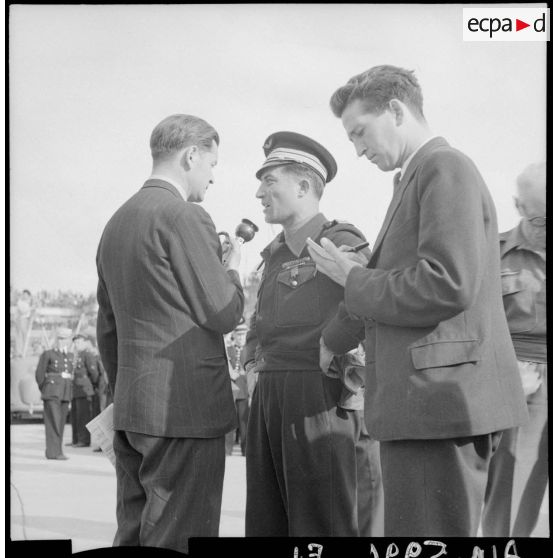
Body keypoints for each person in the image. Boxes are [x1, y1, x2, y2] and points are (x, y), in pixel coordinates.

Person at [307, 65, 528, 537]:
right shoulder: (419, 175)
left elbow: (447, 282)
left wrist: (355, 279)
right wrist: (344, 315)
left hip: (437, 407)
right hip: (426, 407)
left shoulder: (445, 168)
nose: (359, 149)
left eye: (360, 133)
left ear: (395, 110)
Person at [96, 114, 245, 553]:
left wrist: (126, 390)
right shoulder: (184, 216)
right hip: (186, 413)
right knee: (181, 537)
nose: (212, 177)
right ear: (191, 155)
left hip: (134, 409)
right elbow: (223, 312)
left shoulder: (116, 223)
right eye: (212, 165)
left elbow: (108, 327)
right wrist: (232, 270)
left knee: (134, 531)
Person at [243, 131, 383, 537]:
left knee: (323, 524)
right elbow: (259, 320)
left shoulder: (339, 240)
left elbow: (367, 297)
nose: (258, 193)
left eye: (270, 181)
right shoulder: (274, 254)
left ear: (304, 186)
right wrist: (252, 360)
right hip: (270, 393)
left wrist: (332, 341)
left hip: (319, 395)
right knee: (268, 519)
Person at [482, 162, 547, 537]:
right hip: (523, 382)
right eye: (540, 219)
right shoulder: (496, 253)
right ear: (519, 206)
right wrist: (505, 370)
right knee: (513, 496)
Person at [35, 327, 74, 460]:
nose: (64, 341)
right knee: (53, 422)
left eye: (66, 339)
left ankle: (57, 451)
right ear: (57, 339)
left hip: (65, 393)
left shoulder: (70, 355)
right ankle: (53, 452)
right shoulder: (48, 354)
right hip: (51, 393)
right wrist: (45, 388)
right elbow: (39, 375)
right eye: (61, 338)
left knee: (61, 423)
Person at [68, 334, 99, 447]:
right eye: (75, 343)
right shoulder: (76, 355)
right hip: (75, 390)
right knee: (75, 416)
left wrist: (92, 387)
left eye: (79, 342)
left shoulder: (87, 354)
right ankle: (75, 439)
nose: (77, 345)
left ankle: (84, 440)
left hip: (85, 390)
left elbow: (94, 373)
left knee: (83, 416)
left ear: (85, 342)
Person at [225, 323, 249, 456]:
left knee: (244, 422)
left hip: (244, 391)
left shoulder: (249, 349)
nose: (241, 337)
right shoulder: (228, 350)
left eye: (243, 334)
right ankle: (227, 450)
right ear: (234, 335)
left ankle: (245, 450)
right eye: (238, 334)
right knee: (229, 422)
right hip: (231, 391)